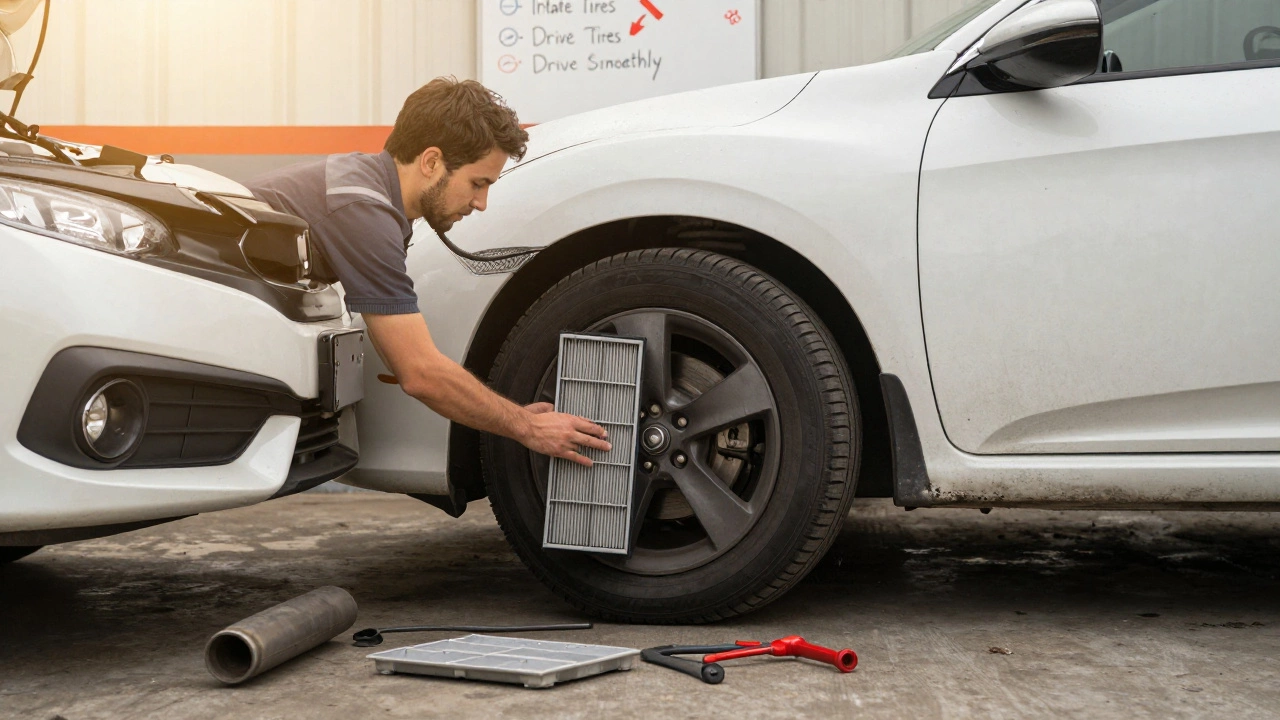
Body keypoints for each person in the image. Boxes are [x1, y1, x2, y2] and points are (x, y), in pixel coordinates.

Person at [246, 78, 610, 467]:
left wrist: (509, 413)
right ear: (432, 162)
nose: (481, 202)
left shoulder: (370, 192)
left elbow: (397, 354)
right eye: (477, 183)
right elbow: (418, 373)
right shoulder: (363, 212)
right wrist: (526, 426)